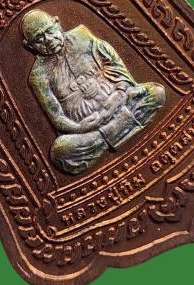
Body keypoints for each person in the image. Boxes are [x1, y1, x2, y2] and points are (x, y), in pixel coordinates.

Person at [21, 10, 166, 174]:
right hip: (90, 131)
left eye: (49, 31)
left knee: (156, 93)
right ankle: (116, 131)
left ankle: (108, 137)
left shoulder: (83, 36)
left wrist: (118, 94)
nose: (48, 40)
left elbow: (115, 66)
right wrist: (80, 127)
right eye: (39, 39)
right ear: (30, 46)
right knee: (60, 151)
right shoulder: (38, 76)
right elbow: (57, 117)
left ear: (57, 23)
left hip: (119, 104)